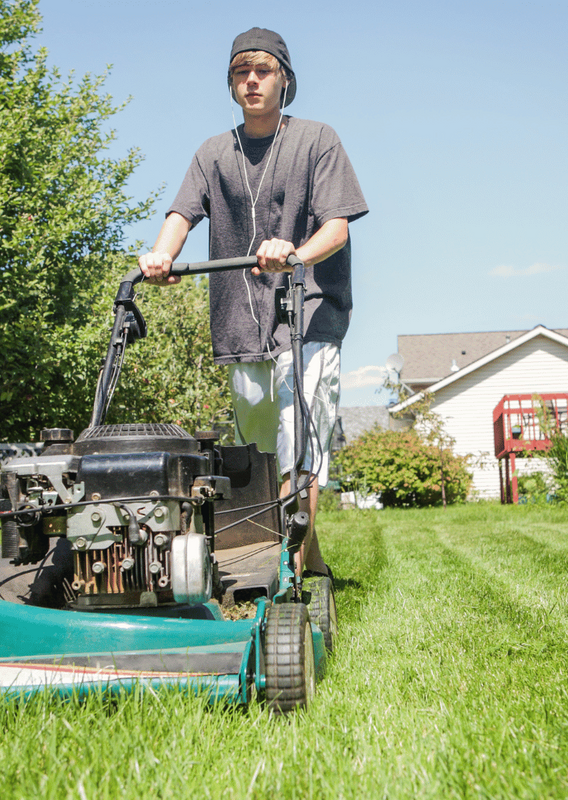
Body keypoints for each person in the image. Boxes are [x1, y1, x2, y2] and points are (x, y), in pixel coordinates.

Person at [138, 27, 367, 577]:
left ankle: (287, 569)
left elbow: (335, 228)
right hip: (241, 322)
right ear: (231, 83)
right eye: (242, 71)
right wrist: (161, 256)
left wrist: (296, 253)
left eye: (263, 70)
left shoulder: (317, 140)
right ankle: (306, 559)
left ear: (285, 79)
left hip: (309, 312)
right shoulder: (213, 153)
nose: (252, 80)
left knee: (299, 441)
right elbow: (182, 215)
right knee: (262, 452)